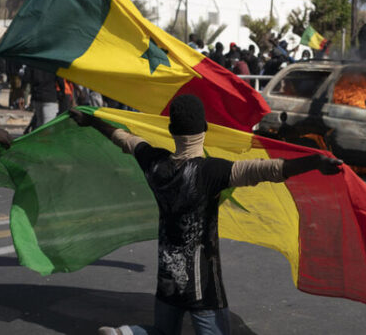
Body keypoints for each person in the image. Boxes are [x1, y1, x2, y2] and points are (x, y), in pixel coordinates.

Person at [69, 95, 342, 335]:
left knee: (163, 332)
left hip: (167, 271)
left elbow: (126, 139)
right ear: (205, 129)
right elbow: (266, 170)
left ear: (171, 130)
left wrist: (92, 121)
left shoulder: (155, 163)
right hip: (202, 286)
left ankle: (124, 333)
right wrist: (315, 162)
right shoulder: (211, 172)